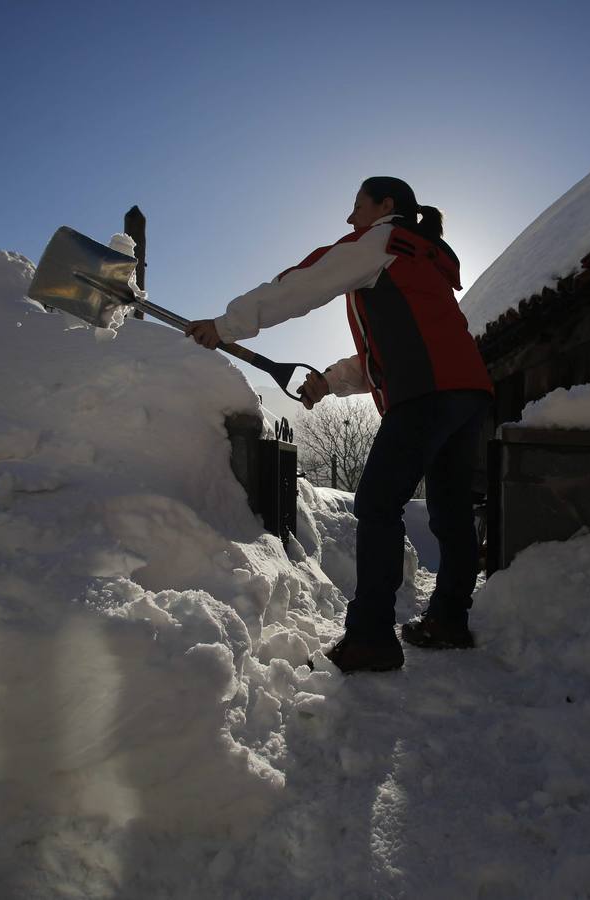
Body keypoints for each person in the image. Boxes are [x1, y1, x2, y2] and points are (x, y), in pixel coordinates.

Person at [185, 177, 493, 673]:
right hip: (470, 394)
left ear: (385, 206)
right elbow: (391, 351)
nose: (351, 219)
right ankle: (449, 621)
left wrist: (225, 325)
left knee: (376, 503)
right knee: (452, 510)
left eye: (357, 207)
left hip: (427, 393)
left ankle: (370, 638)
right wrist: (328, 383)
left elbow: (302, 283)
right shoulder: (421, 258)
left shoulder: (381, 241)